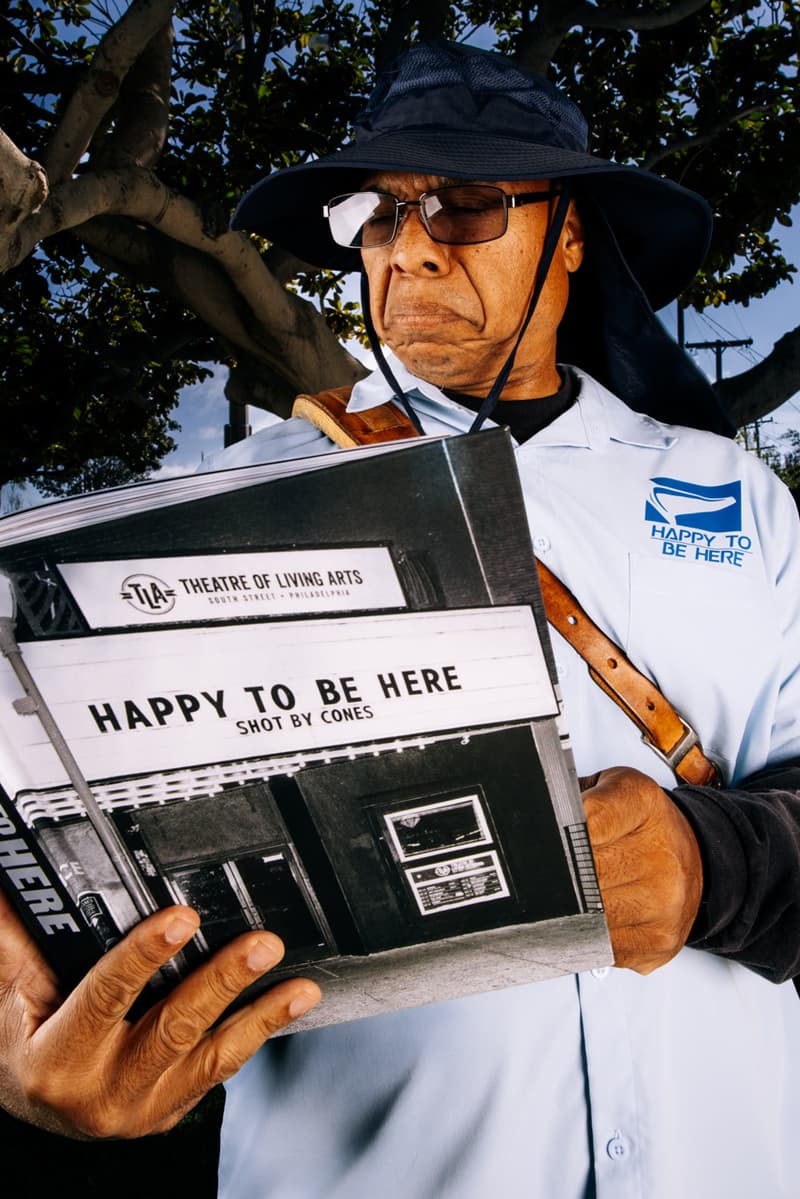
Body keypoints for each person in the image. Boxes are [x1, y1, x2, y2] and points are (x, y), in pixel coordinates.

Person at [1, 37, 798, 1199]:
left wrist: (707, 862)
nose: (409, 246)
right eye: (377, 214)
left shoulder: (736, 497)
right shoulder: (231, 505)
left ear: (568, 233)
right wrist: (27, 1016)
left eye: (465, 207)